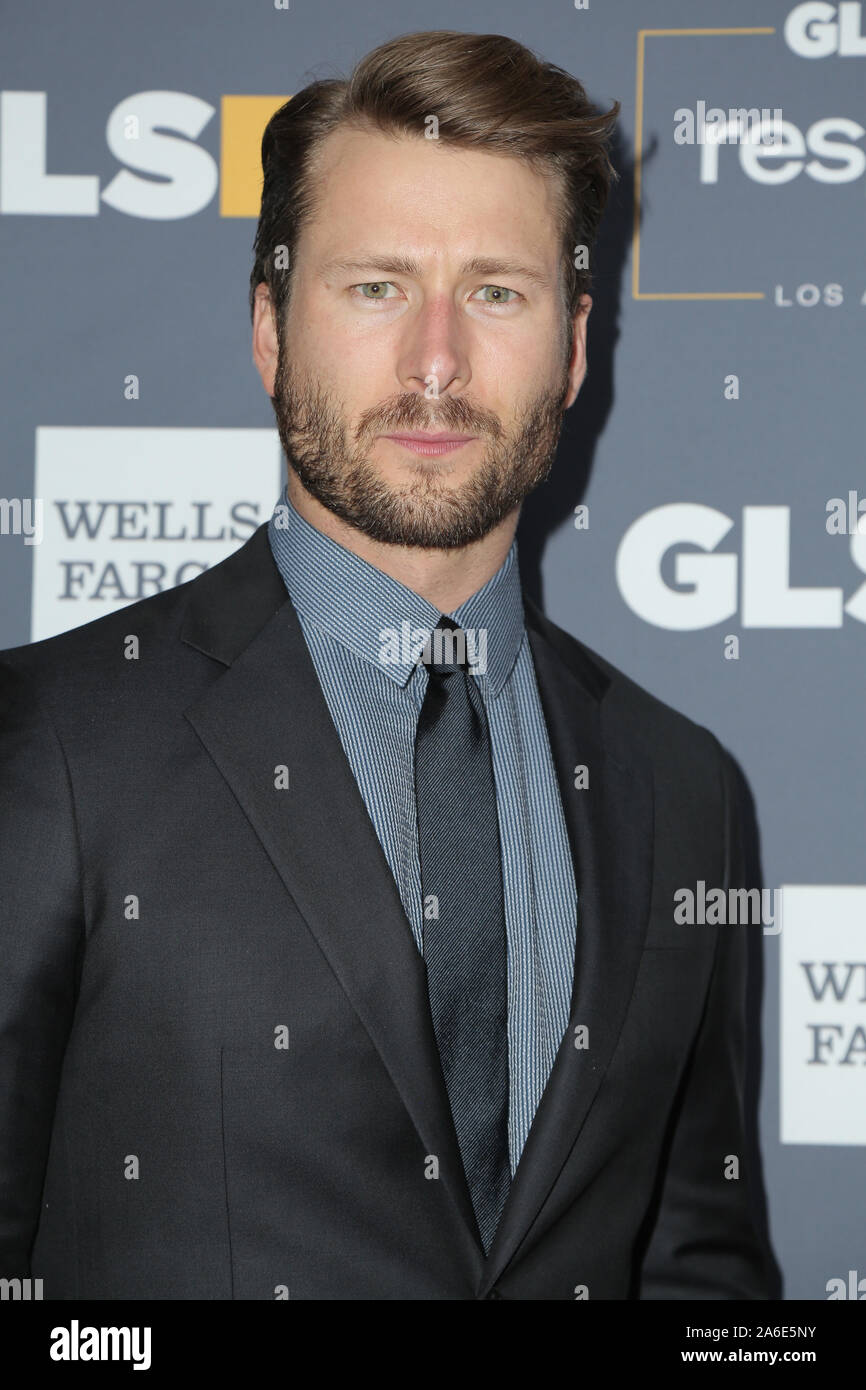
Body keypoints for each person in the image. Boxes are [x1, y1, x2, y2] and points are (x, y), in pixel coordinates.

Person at [0, 30, 772, 1299]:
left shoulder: (678, 787)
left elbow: (701, 1279)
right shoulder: (55, 741)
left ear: (575, 349)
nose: (433, 362)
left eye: (494, 292)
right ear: (267, 328)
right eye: (373, 287)